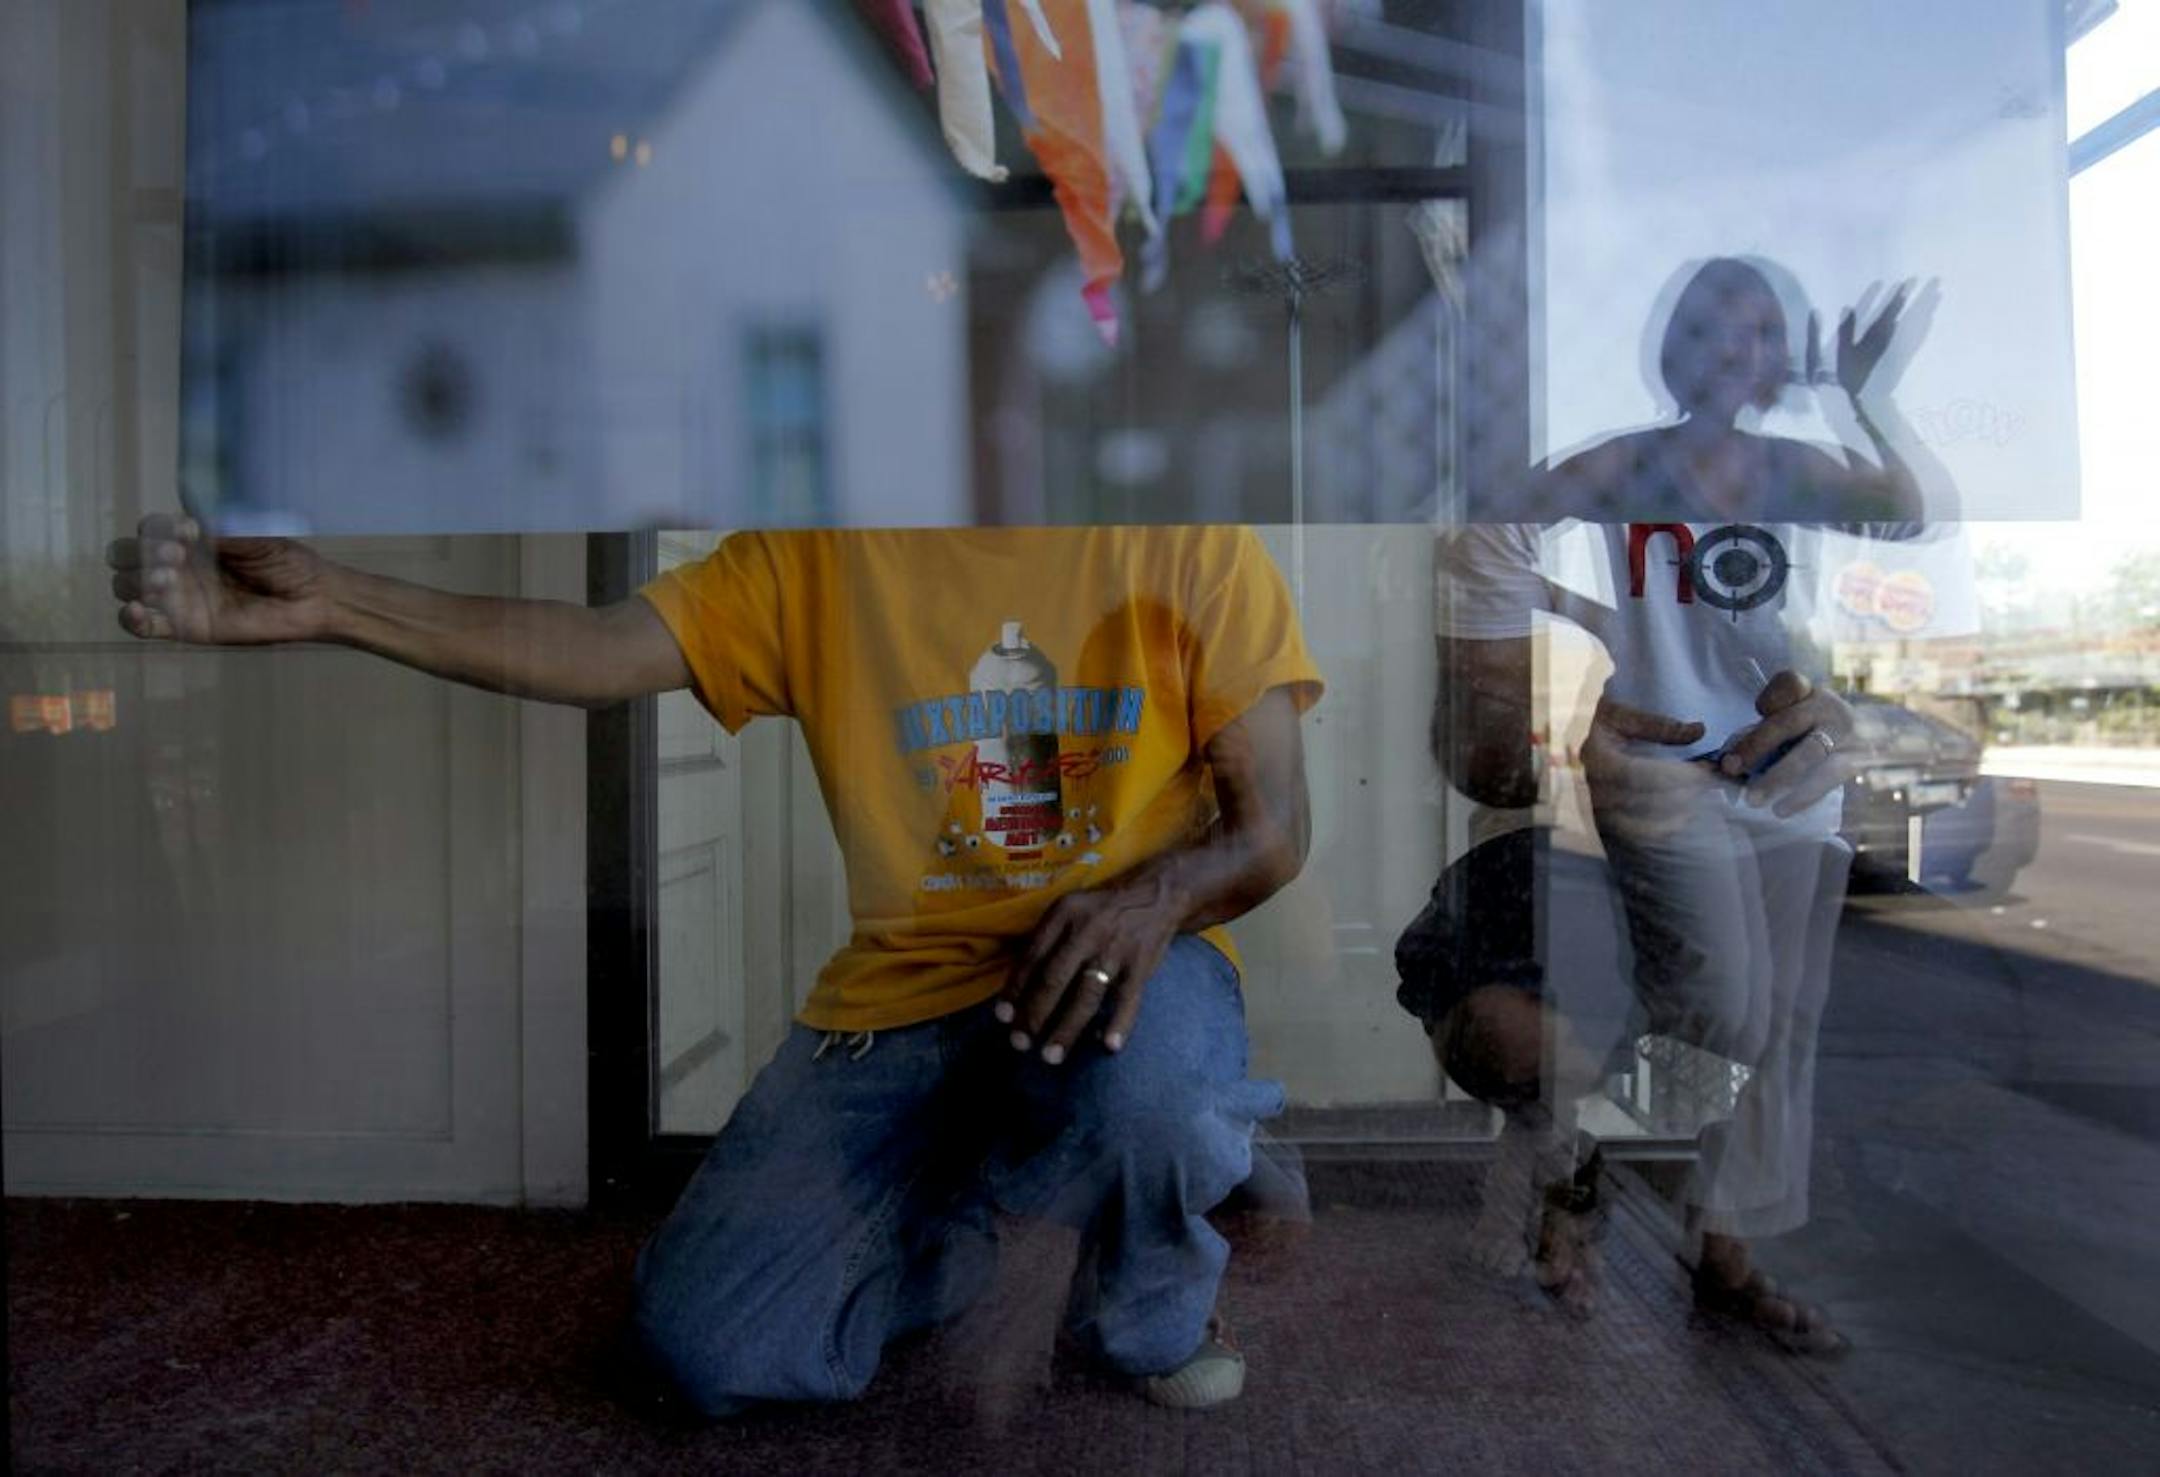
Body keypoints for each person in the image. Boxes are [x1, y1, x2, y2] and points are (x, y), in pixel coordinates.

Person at [107, 518, 1323, 1413]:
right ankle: (980, 1217)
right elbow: (595, 646)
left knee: (1152, 1088)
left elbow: (1274, 829)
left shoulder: (1184, 534)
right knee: (702, 1351)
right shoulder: (821, 550)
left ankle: (1150, 1294)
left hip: (1117, 984)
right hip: (899, 1013)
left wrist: (1149, 898)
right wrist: (331, 601)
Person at [1412, 256, 1947, 1351]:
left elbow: (1911, 518)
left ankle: (1725, 1257)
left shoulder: (1792, 465)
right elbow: (1483, 546)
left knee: (1779, 1035)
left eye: (1757, 330)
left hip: (1789, 777)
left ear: (1776, 356)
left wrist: (1866, 398)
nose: (1729, 345)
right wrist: (1556, 700)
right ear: (1672, 346)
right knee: (1723, 1013)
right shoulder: (1626, 463)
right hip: (1668, 774)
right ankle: (1582, 1172)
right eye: (1708, 323)